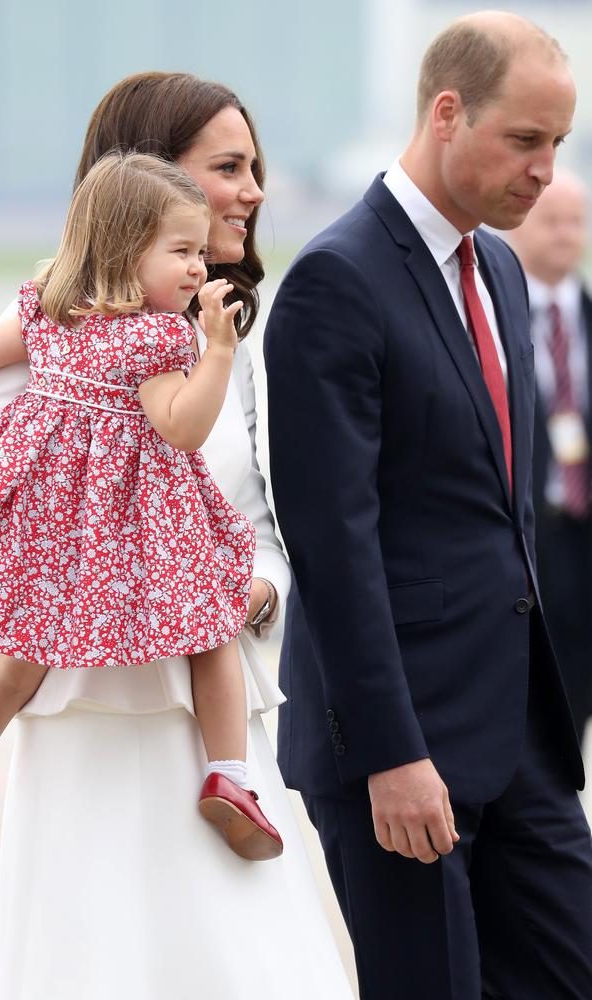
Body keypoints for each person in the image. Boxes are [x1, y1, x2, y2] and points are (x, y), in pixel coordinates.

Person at [0, 73, 354, 999]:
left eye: (256, 166)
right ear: (143, 193)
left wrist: (257, 586)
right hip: (93, 728)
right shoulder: (50, 339)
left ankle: (229, 783)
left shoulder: (210, 339)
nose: (253, 191)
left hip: (213, 719)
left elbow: (258, 525)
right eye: (229, 167)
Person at [265, 11, 592, 1000]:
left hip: (517, 735)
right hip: (397, 750)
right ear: (445, 113)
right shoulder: (335, 281)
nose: (542, 172)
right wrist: (389, 753)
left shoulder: (495, 264)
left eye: (557, 145)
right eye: (522, 140)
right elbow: (332, 547)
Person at [0, 150, 283, 862]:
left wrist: (25, 427)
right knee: (212, 623)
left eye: (200, 252)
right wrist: (215, 351)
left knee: (15, 665)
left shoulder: (48, 310)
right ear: (127, 249)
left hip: (53, 522)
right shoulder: (161, 336)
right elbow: (181, 426)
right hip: (135, 524)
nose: (199, 268)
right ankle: (229, 776)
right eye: (183, 251)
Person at [510, 170, 592, 742]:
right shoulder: (496, 316)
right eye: (551, 221)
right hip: (533, 540)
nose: (565, 235)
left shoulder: (584, 314)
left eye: (576, 222)